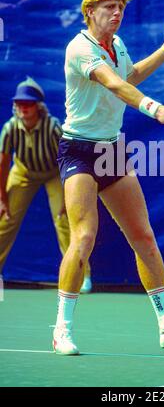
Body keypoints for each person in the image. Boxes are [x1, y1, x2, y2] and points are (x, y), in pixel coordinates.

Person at [53, 0, 164, 355]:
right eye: (108, 7)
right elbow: (112, 84)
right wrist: (155, 109)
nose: (116, 13)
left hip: (112, 151)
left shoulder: (117, 45)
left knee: (143, 236)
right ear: (89, 13)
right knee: (85, 237)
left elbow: (128, 77)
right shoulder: (79, 48)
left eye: (119, 7)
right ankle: (62, 328)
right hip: (78, 151)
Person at [0, 77, 92, 293]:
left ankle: (82, 276)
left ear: (38, 106)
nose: (24, 108)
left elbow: (67, 159)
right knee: (5, 218)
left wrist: (67, 195)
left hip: (54, 173)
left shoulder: (53, 127)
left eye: (28, 103)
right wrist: (2, 198)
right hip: (22, 172)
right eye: (20, 104)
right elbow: (3, 164)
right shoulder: (10, 128)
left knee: (67, 220)